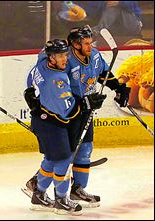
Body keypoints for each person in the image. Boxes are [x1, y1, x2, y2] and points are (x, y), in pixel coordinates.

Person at [23, 25, 131, 209]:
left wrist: (118, 88)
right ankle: (42, 186)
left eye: (91, 42)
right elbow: (38, 73)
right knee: (65, 154)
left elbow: (103, 73)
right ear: (75, 44)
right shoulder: (64, 60)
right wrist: (30, 93)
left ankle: (77, 189)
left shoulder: (94, 56)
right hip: (70, 112)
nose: (91, 47)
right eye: (86, 43)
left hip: (85, 109)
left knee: (85, 148)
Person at [24, 39, 106, 215]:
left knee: (51, 160)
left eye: (65, 54)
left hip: (42, 119)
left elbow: (30, 79)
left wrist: (30, 93)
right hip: (52, 123)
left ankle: (38, 194)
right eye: (60, 56)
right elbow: (68, 111)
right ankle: (61, 200)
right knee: (63, 160)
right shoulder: (58, 79)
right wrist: (87, 103)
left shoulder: (41, 64)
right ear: (51, 58)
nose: (65, 59)